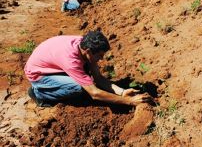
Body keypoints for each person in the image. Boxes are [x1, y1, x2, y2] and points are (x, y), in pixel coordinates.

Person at [24, 31, 152, 107]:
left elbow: (99, 79)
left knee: (86, 76)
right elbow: (95, 93)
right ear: (89, 52)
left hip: (52, 66)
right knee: (78, 88)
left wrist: (122, 92)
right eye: (100, 56)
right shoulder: (71, 60)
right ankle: (39, 93)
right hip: (39, 75)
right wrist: (129, 101)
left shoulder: (84, 44)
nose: (101, 59)